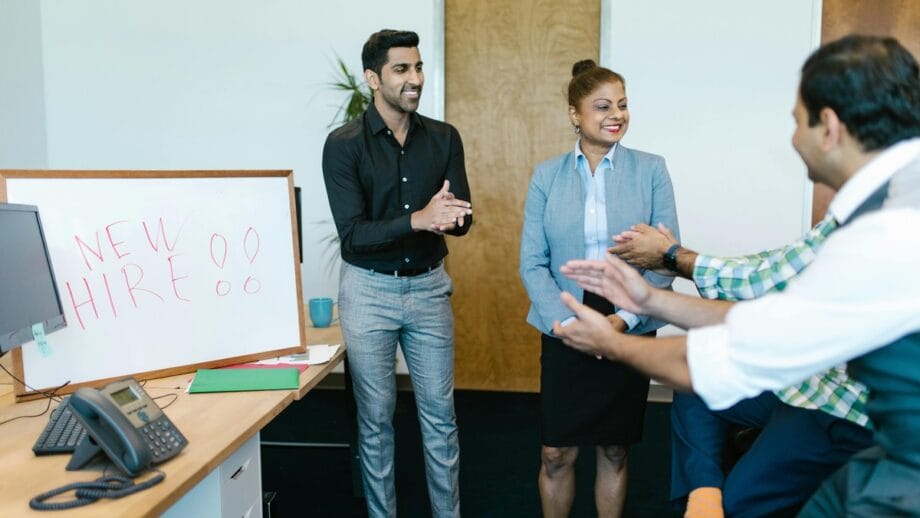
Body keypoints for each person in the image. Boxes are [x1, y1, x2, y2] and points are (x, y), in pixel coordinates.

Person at [553, 35, 920, 515]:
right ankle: (705, 494)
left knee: (751, 498)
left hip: (879, 441)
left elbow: (748, 336)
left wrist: (614, 341)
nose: (792, 140)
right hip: (849, 405)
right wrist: (651, 300)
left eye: (795, 122)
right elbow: (773, 302)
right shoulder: (885, 200)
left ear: (828, 127)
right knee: (701, 400)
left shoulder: (882, 230)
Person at [609, 215, 876, 516]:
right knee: (699, 374)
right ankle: (702, 496)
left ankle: (720, 505)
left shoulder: (881, 217)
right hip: (810, 376)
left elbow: (761, 283)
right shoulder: (858, 210)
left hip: (840, 409)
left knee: (737, 505)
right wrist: (674, 261)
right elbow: (775, 263)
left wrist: (672, 257)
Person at [322, 29, 473, 518]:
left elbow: (462, 220)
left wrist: (452, 216)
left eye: (419, 68)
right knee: (376, 419)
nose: (415, 79)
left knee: (440, 418)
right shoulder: (344, 146)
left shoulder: (445, 137)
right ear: (373, 78)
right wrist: (419, 219)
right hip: (368, 292)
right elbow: (353, 237)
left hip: (429, 288)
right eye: (402, 70)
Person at [519, 59, 679, 517]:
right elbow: (532, 262)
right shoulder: (546, 176)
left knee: (614, 449)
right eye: (603, 106)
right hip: (564, 318)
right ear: (575, 114)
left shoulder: (651, 169)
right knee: (556, 452)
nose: (617, 115)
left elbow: (667, 257)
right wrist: (569, 325)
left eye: (623, 106)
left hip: (627, 318)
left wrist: (622, 320)